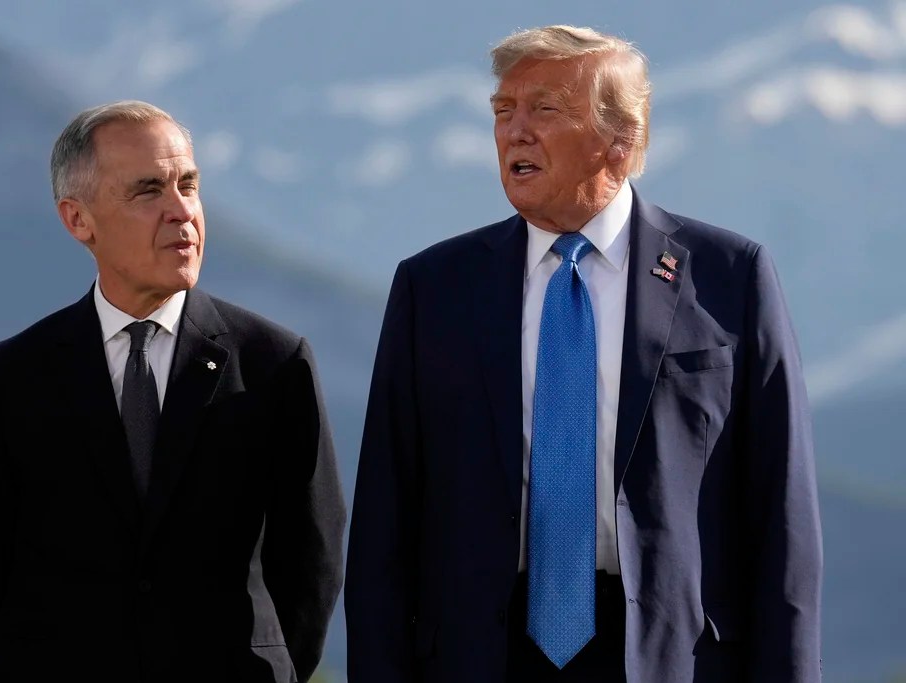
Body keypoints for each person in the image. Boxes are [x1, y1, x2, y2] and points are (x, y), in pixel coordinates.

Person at [345, 25, 821, 683]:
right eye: (503, 111)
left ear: (619, 142)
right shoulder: (434, 288)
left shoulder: (729, 276)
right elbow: (383, 526)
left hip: (668, 655)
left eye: (543, 109)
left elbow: (782, 512)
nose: (515, 131)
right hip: (481, 652)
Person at [0, 101, 345, 683]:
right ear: (78, 220)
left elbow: (312, 561)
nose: (181, 211)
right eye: (148, 191)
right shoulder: (13, 377)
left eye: (189, 184)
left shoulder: (274, 364)